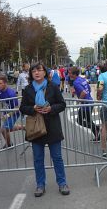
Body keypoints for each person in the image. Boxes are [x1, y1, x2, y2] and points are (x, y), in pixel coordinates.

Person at [20, 63, 70, 197]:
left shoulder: (53, 87)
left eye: (39, 70)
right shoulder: (28, 89)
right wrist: (33, 108)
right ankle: (40, 185)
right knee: (38, 158)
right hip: (36, 128)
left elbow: (62, 104)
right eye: (34, 71)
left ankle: (62, 183)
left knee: (57, 157)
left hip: (52, 126)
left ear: (44, 72)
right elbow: (23, 107)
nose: (36, 73)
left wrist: (51, 109)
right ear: (31, 74)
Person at [69, 66, 100, 141]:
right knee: (89, 121)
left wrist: (79, 100)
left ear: (74, 74)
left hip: (85, 104)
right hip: (90, 102)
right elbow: (88, 88)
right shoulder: (82, 79)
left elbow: (83, 92)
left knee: (79, 121)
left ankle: (96, 128)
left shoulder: (76, 82)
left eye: (70, 73)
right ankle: (97, 136)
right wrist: (76, 92)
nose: (69, 75)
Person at [0, 75, 20, 148]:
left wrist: (7, 115)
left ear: (5, 83)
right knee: (6, 129)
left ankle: (9, 144)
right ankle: (23, 127)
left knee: (4, 129)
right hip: (5, 112)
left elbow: (17, 108)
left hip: (14, 113)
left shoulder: (11, 93)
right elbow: (1, 102)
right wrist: (1, 111)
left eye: (0, 83)